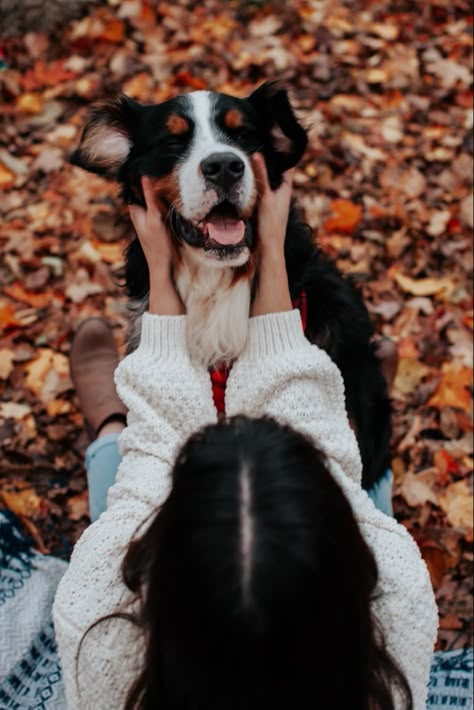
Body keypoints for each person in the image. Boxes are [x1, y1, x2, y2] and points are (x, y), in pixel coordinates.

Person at [53, 156, 438, 709]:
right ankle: (353, 406)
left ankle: (107, 424)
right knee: (360, 481)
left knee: (128, 457)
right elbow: (323, 449)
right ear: (343, 571)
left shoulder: (98, 627)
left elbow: (157, 449)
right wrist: (273, 256)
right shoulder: (398, 597)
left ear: (156, 566)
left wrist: (159, 274)